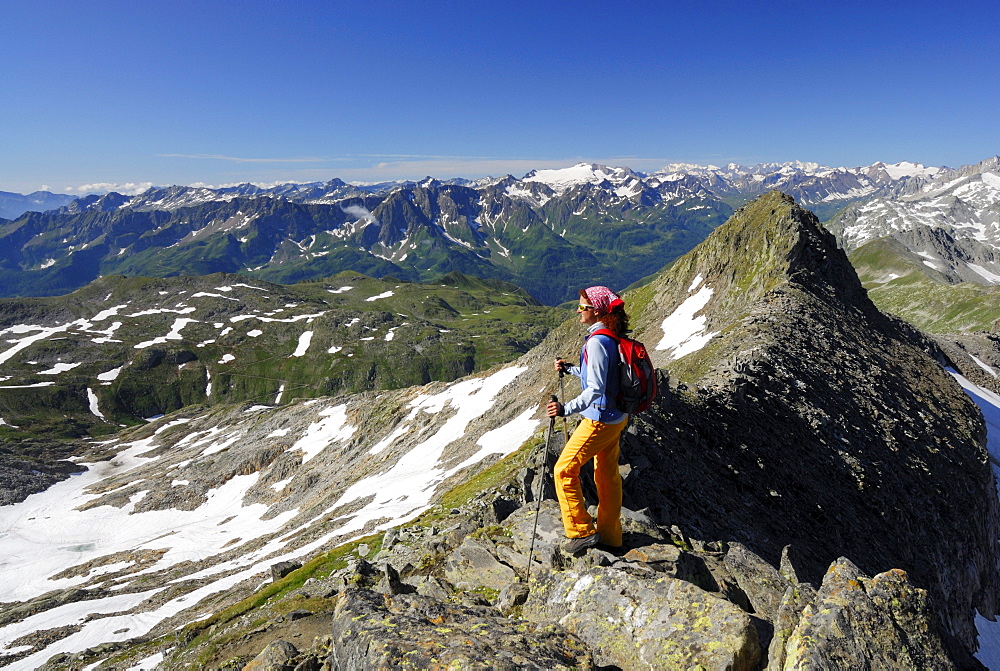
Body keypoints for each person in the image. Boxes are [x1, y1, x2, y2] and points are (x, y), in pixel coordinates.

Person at [546, 285, 628, 554]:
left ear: (596, 311)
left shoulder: (596, 342)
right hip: (616, 417)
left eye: (582, 307)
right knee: (606, 475)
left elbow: (595, 389)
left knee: (563, 470)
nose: (578, 311)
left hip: (599, 420)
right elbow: (599, 376)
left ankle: (581, 531)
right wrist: (571, 369)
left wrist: (564, 409)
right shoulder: (608, 336)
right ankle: (610, 536)